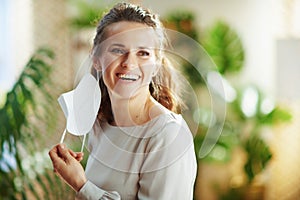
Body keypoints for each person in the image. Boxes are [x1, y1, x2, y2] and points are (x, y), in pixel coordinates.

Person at [49, 2, 197, 199]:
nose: (129, 63)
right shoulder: (100, 126)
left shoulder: (169, 135)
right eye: (118, 50)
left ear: (155, 65)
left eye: (143, 53)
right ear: (96, 58)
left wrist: (82, 185)